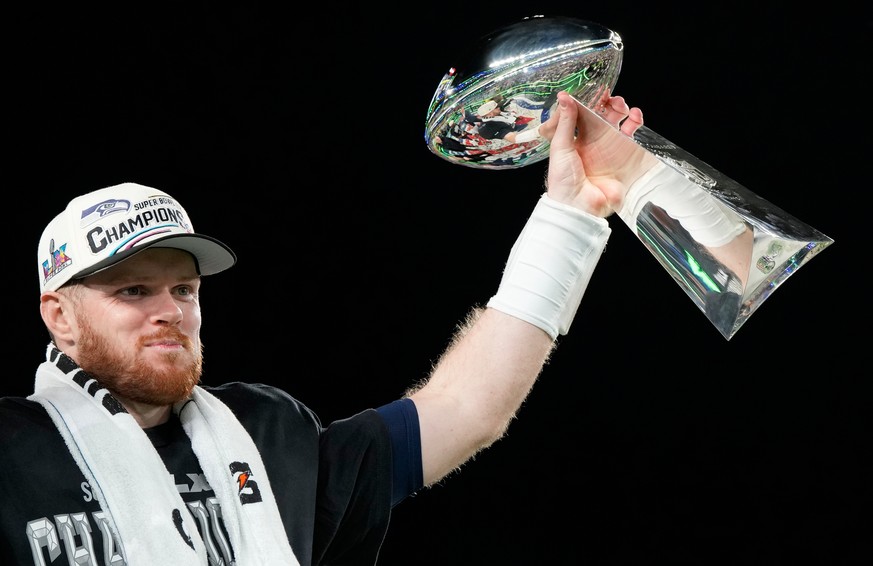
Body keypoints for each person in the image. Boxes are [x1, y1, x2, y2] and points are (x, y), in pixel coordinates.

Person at [0, 90, 643, 566]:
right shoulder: (11, 449)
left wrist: (570, 213)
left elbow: (466, 409)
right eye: (133, 291)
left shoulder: (267, 433)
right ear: (60, 317)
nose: (169, 309)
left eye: (184, 289)